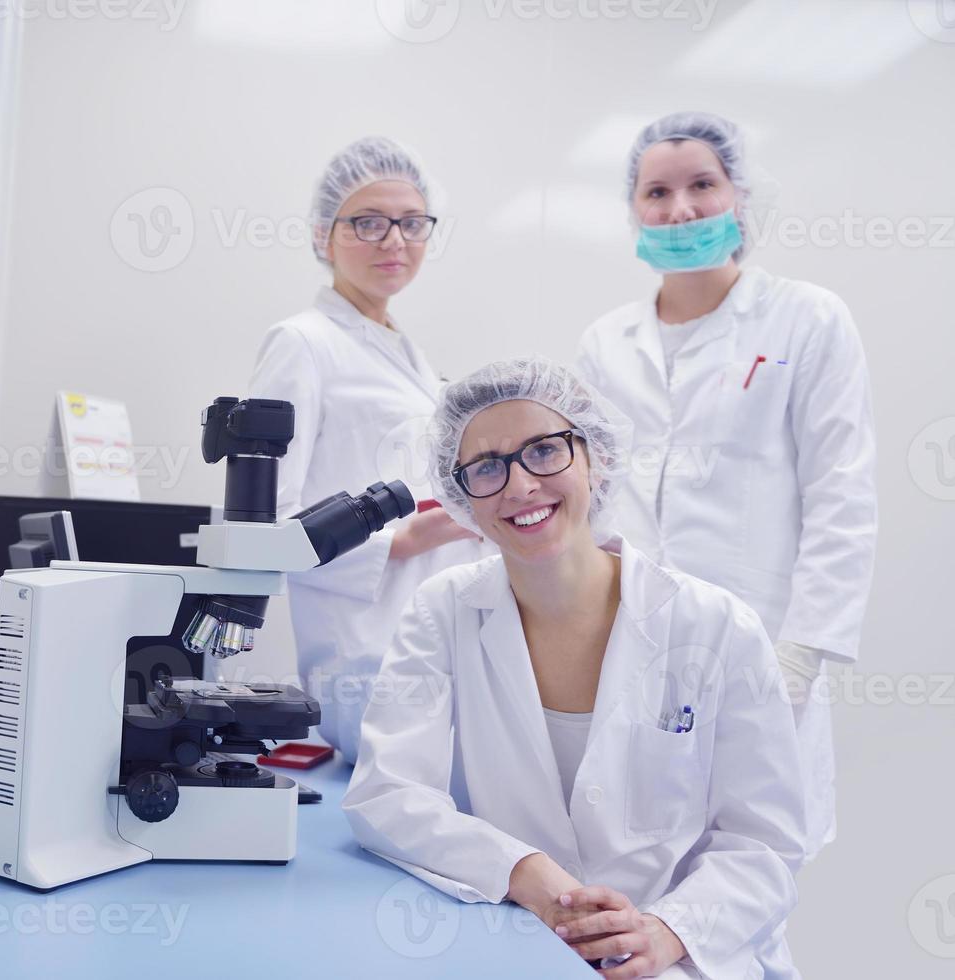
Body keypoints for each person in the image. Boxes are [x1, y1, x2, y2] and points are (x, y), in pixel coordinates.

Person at [342, 357, 807, 979]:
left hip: (688, 958)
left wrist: (667, 932)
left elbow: (764, 843)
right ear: (460, 497)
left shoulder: (715, 626)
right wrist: (527, 873)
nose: (519, 486)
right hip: (525, 941)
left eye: (543, 451)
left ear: (595, 457)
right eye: (486, 467)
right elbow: (387, 792)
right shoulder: (443, 611)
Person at [577, 111, 877, 859]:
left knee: (752, 870)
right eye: (656, 192)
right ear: (633, 210)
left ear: (739, 196)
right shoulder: (603, 343)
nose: (678, 209)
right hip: (631, 649)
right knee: (635, 869)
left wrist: (800, 652)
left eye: (701, 185)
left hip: (764, 646)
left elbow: (840, 493)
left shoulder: (805, 319)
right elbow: (588, 505)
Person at [248, 136, 480, 763]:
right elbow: (265, 526)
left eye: (411, 223)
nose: (394, 240)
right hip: (361, 650)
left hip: (427, 630)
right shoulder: (303, 343)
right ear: (325, 234)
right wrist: (402, 541)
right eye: (368, 223)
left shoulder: (404, 350)